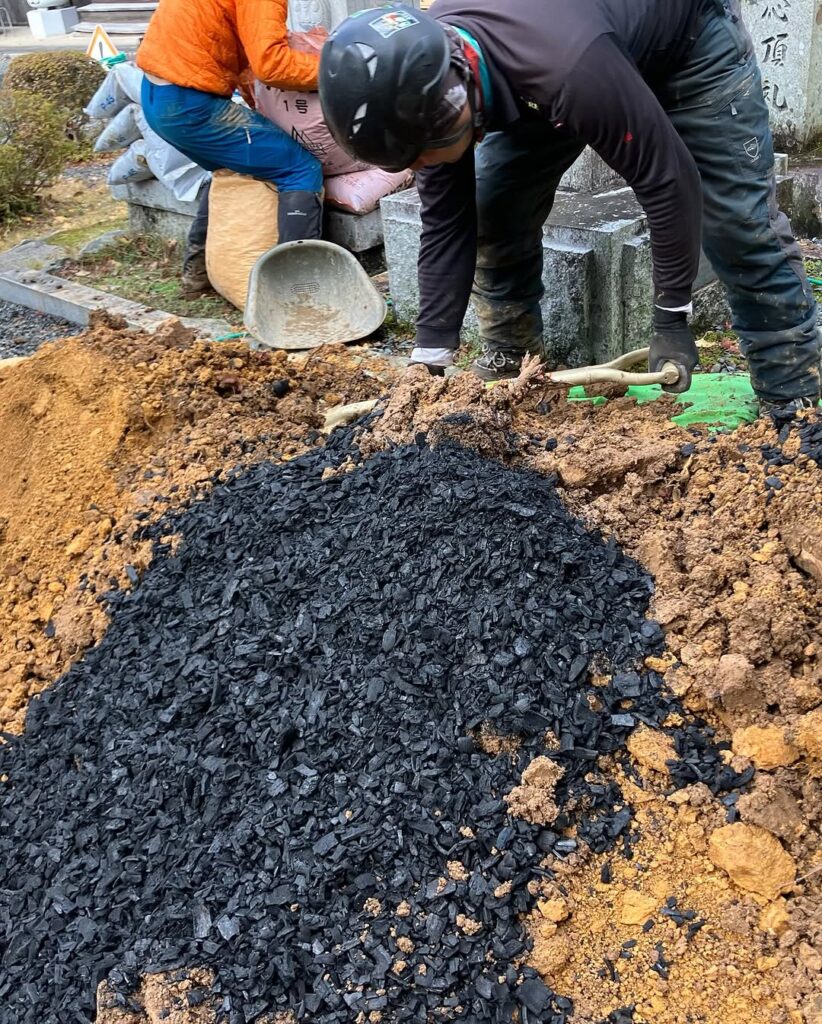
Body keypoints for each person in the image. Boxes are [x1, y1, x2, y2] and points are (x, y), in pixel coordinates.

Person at [319, 0, 820, 413]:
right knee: (493, 207)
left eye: (426, 154)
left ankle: (791, 396)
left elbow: (669, 179)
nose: (425, 165)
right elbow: (448, 223)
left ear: (454, 104)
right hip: (564, 59)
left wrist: (671, 319)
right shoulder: (435, 80)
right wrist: (427, 361)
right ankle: (512, 365)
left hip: (685, 45)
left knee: (736, 224)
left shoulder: (563, 67)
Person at [136, 0, 325, 296]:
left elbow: (241, 51)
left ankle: (196, 276)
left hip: (158, 96)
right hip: (189, 105)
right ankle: (296, 288)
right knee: (300, 168)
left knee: (228, 167)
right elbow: (273, 64)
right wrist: (340, 71)